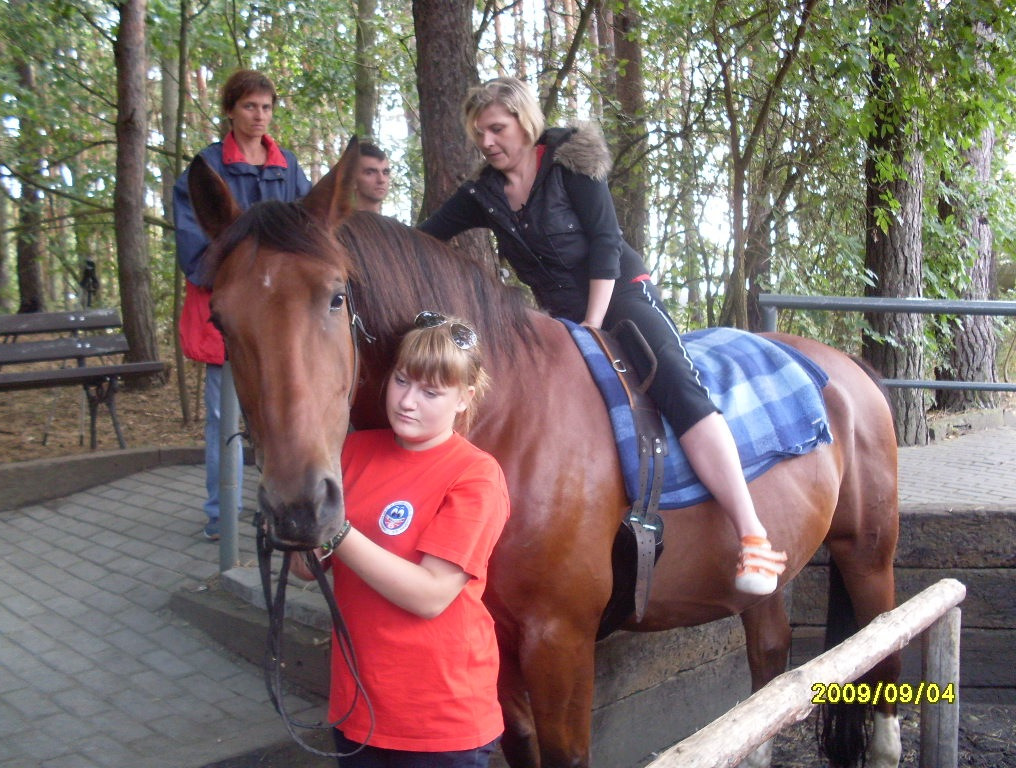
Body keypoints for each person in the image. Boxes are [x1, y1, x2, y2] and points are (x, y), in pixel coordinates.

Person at [418, 77, 787, 595]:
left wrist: (592, 322)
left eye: (496, 128)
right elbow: (421, 240)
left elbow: (606, 242)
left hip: (620, 295)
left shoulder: (570, 163)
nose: (487, 141)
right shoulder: (483, 194)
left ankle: (752, 535)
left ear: (525, 122)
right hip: (558, 317)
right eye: (478, 133)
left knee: (677, 383)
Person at [291, 311, 509, 767]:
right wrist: (295, 517)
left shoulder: (476, 475)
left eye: (431, 392)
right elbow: (305, 571)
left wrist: (336, 530)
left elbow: (430, 596)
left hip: (440, 721)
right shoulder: (354, 451)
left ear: (464, 398)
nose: (408, 402)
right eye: (402, 381)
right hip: (358, 706)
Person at [173, 69, 311, 541]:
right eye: (250, 106)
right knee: (223, 418)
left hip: (282, 319)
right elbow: (195, 246)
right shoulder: (206, 168)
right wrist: (248, 276)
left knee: (282, 413)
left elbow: (306, 233)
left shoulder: (288, 167)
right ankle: (221, 513)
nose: (259, 116)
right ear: (230, 110)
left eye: (266, 107)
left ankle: (280, 502)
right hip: (230, 316)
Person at [353, 141, 391, 213]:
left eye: (385, 173)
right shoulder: (338, 220)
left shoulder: (393, 221)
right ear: (353, 181)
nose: (381, 180)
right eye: (370, 173)